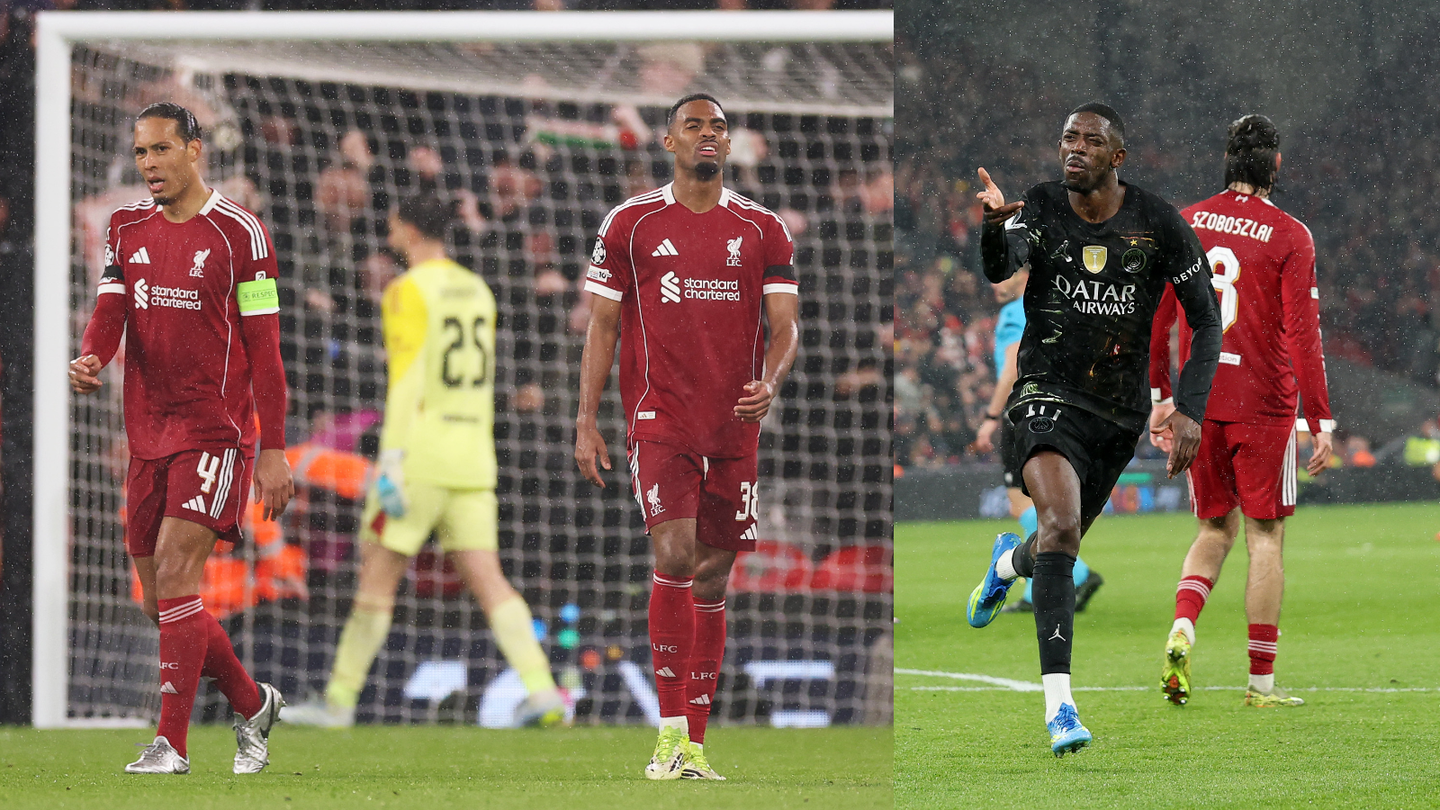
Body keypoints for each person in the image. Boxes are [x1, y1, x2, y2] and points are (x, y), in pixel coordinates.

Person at [965, 103, 1222, 756]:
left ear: (1118, 157)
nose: (1074, 149)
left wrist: (1189, 409)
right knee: (1056, 528)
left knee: (1058, 545)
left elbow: (1206, 319)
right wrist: (995, 229)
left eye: (1090, 140)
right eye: (1067, 139)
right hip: (1045, 397)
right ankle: (1060, 707)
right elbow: (999, 270)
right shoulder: (1042, 207)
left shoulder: (1159, 223)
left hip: (1119, 415)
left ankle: (1005, 563)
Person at [574, 93, 799, 781]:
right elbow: (603, 327)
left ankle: (695, 746)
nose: (709, 135)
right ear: (669, 141)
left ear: (728, 146)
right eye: (695, 126)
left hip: (734, 422)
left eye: (719, 127)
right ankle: (668, 736)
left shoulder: (763, 229)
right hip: (660, 416)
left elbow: (785, 324)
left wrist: (773, 379)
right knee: (673, 551)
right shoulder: (631, 223)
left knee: (715, 570)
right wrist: (586, 418)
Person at [70, 102, 294, 775]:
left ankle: (171, 745)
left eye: (162, 150)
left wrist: (274, 449)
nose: (150, 165)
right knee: (159, 601)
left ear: (195, 150)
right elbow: (112, 307)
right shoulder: (126, 226)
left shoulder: (240, 235)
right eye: (141, 153)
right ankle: (253, 704)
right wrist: (91, 356)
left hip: (214, 431)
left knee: (175, 575)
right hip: (146, 431)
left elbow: (267, 352)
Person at [283, 193, 565, 729]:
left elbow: (407, 380)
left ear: (408, 230)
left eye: (392, 225)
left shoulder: (406, 290)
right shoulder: (478, 290)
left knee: (377, 573)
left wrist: (390, 460)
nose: (388, 234)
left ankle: (339, 702)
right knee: (490, 581)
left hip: (422, 454)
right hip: (474, 455)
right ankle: (544, 689)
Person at [1148, 114, 1333, 709]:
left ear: (1227, 162)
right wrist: (1318, 419)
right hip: (1264, 404)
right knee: (1265, 538)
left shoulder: (1188, 221)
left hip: (1200, 403)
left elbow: (1156, 318)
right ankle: (1260, 683)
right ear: (1275, 165)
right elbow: (1303, 334)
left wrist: (1161, 398)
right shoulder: (1289, 235)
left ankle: (1183, 625)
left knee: (1212, 528)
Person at [973, 267, 1104, 614]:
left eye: (1001, 275)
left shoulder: (1016, 311)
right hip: (1057, 410)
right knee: (1045, 502)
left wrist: (990, 417)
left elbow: (1012, 367)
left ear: (1023, 273)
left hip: (1022, 413)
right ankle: (1049, 585)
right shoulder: (1055, 303)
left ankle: (1076, 573)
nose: (994, 282)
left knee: (1025, 505)